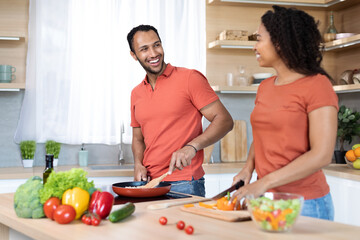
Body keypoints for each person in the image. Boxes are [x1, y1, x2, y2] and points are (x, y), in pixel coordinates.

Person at [230, 5, 338, 220]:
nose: (255, 46)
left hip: (306, 203)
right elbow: (263, 137)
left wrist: (265, 182)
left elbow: (322, 155)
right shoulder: (265, 87)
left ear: (280, 43)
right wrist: (247, 170)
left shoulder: (318, 85)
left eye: (259, 39)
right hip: (267, 201)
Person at [127, 25, 233, 196]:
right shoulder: (136, 93)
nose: (153, 53)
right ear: (134, 55)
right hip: (149, 184)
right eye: (144, 49)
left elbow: (225, 120)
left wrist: (192, 146)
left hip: (185, 182)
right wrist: (138, 164)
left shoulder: (189, 78)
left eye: (157, 45)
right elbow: (138, 138)